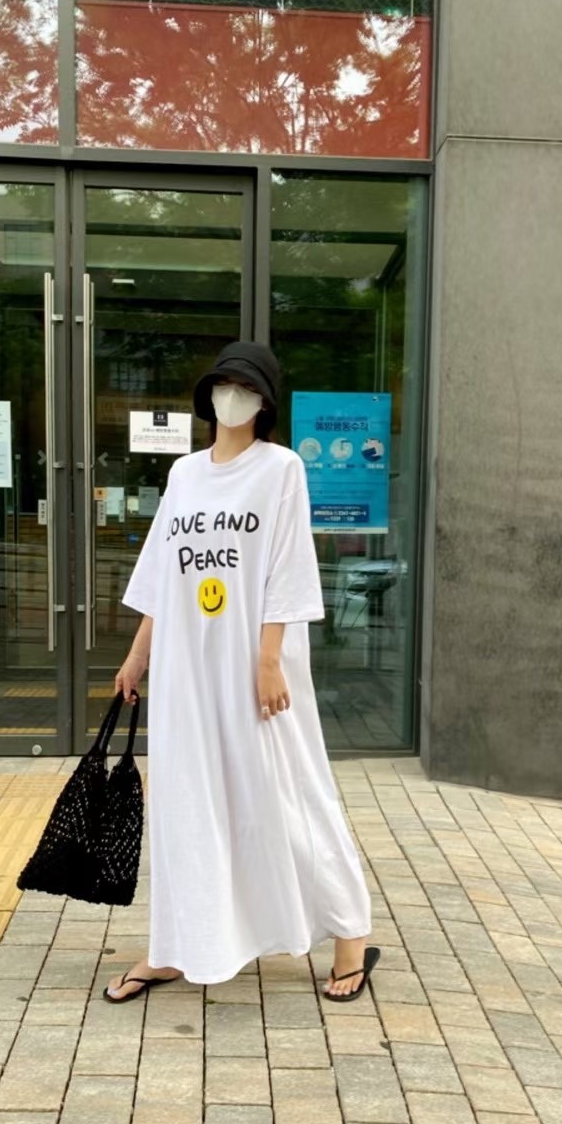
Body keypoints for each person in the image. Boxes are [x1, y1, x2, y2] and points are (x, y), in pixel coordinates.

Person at [105, 342, 378, 1003]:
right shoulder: (184, 474)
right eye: (224, 384)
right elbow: (164, 575)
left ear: (264, 402)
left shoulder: (280, 468)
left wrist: (268, 660)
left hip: (255, 664)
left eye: (246, 387)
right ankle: (178, 946)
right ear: (208, 395)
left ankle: (350, 934)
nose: (232, 396)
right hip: (187, 667)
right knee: (185, 801)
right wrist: (139, 655)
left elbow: (288, 566)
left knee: (288, 793)